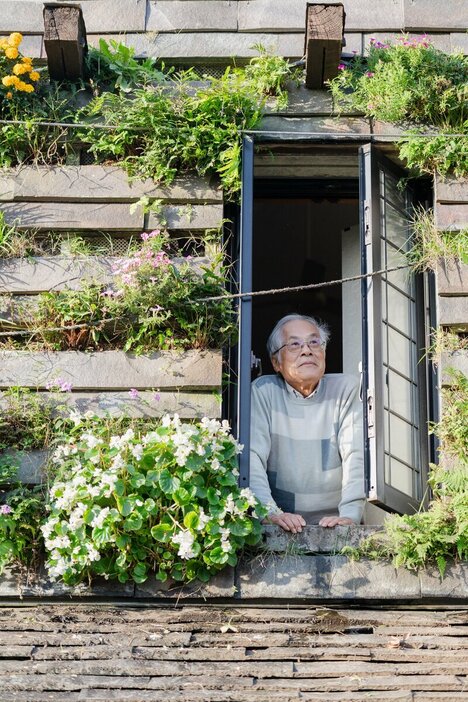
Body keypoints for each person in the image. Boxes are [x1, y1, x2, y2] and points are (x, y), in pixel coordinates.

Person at [249, 313, 365, 533]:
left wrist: (350, 516)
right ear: (276, 362)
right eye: (294, 344)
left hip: (335, 519)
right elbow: (252, 456)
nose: (306, 350)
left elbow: (356, 454)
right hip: (283, 521)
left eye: (314, 342)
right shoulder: (263, 392)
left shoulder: (346, 389)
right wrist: (270, 513)